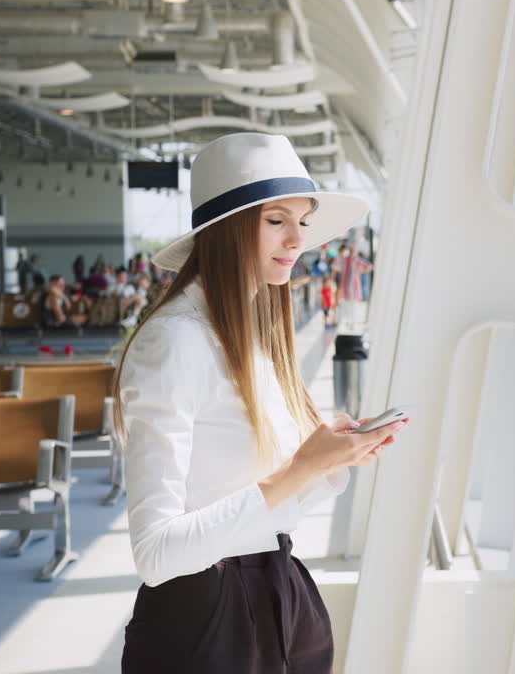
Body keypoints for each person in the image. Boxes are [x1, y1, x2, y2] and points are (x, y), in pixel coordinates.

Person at [114, 133, 407, 673]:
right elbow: (155, 554)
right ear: (226, 230)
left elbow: (259, 500)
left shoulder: (255, 335)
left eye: (303, 220)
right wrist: (298, 472)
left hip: (276, 588)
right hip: (206, 616)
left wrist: (329, 461)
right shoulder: (175, 342)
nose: (298, 238)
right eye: (277, 220)